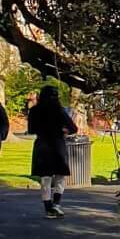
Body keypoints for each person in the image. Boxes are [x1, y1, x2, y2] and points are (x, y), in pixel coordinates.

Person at [25, 85, 79, 218]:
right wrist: (62, 130)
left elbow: (31, 129)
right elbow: (73, 128)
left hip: (42, 144)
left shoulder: (34, 111)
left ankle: (48, 207)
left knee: (46, 178)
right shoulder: (58, 110)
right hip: (57, 144)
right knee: (60, 175)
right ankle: (57, 204)